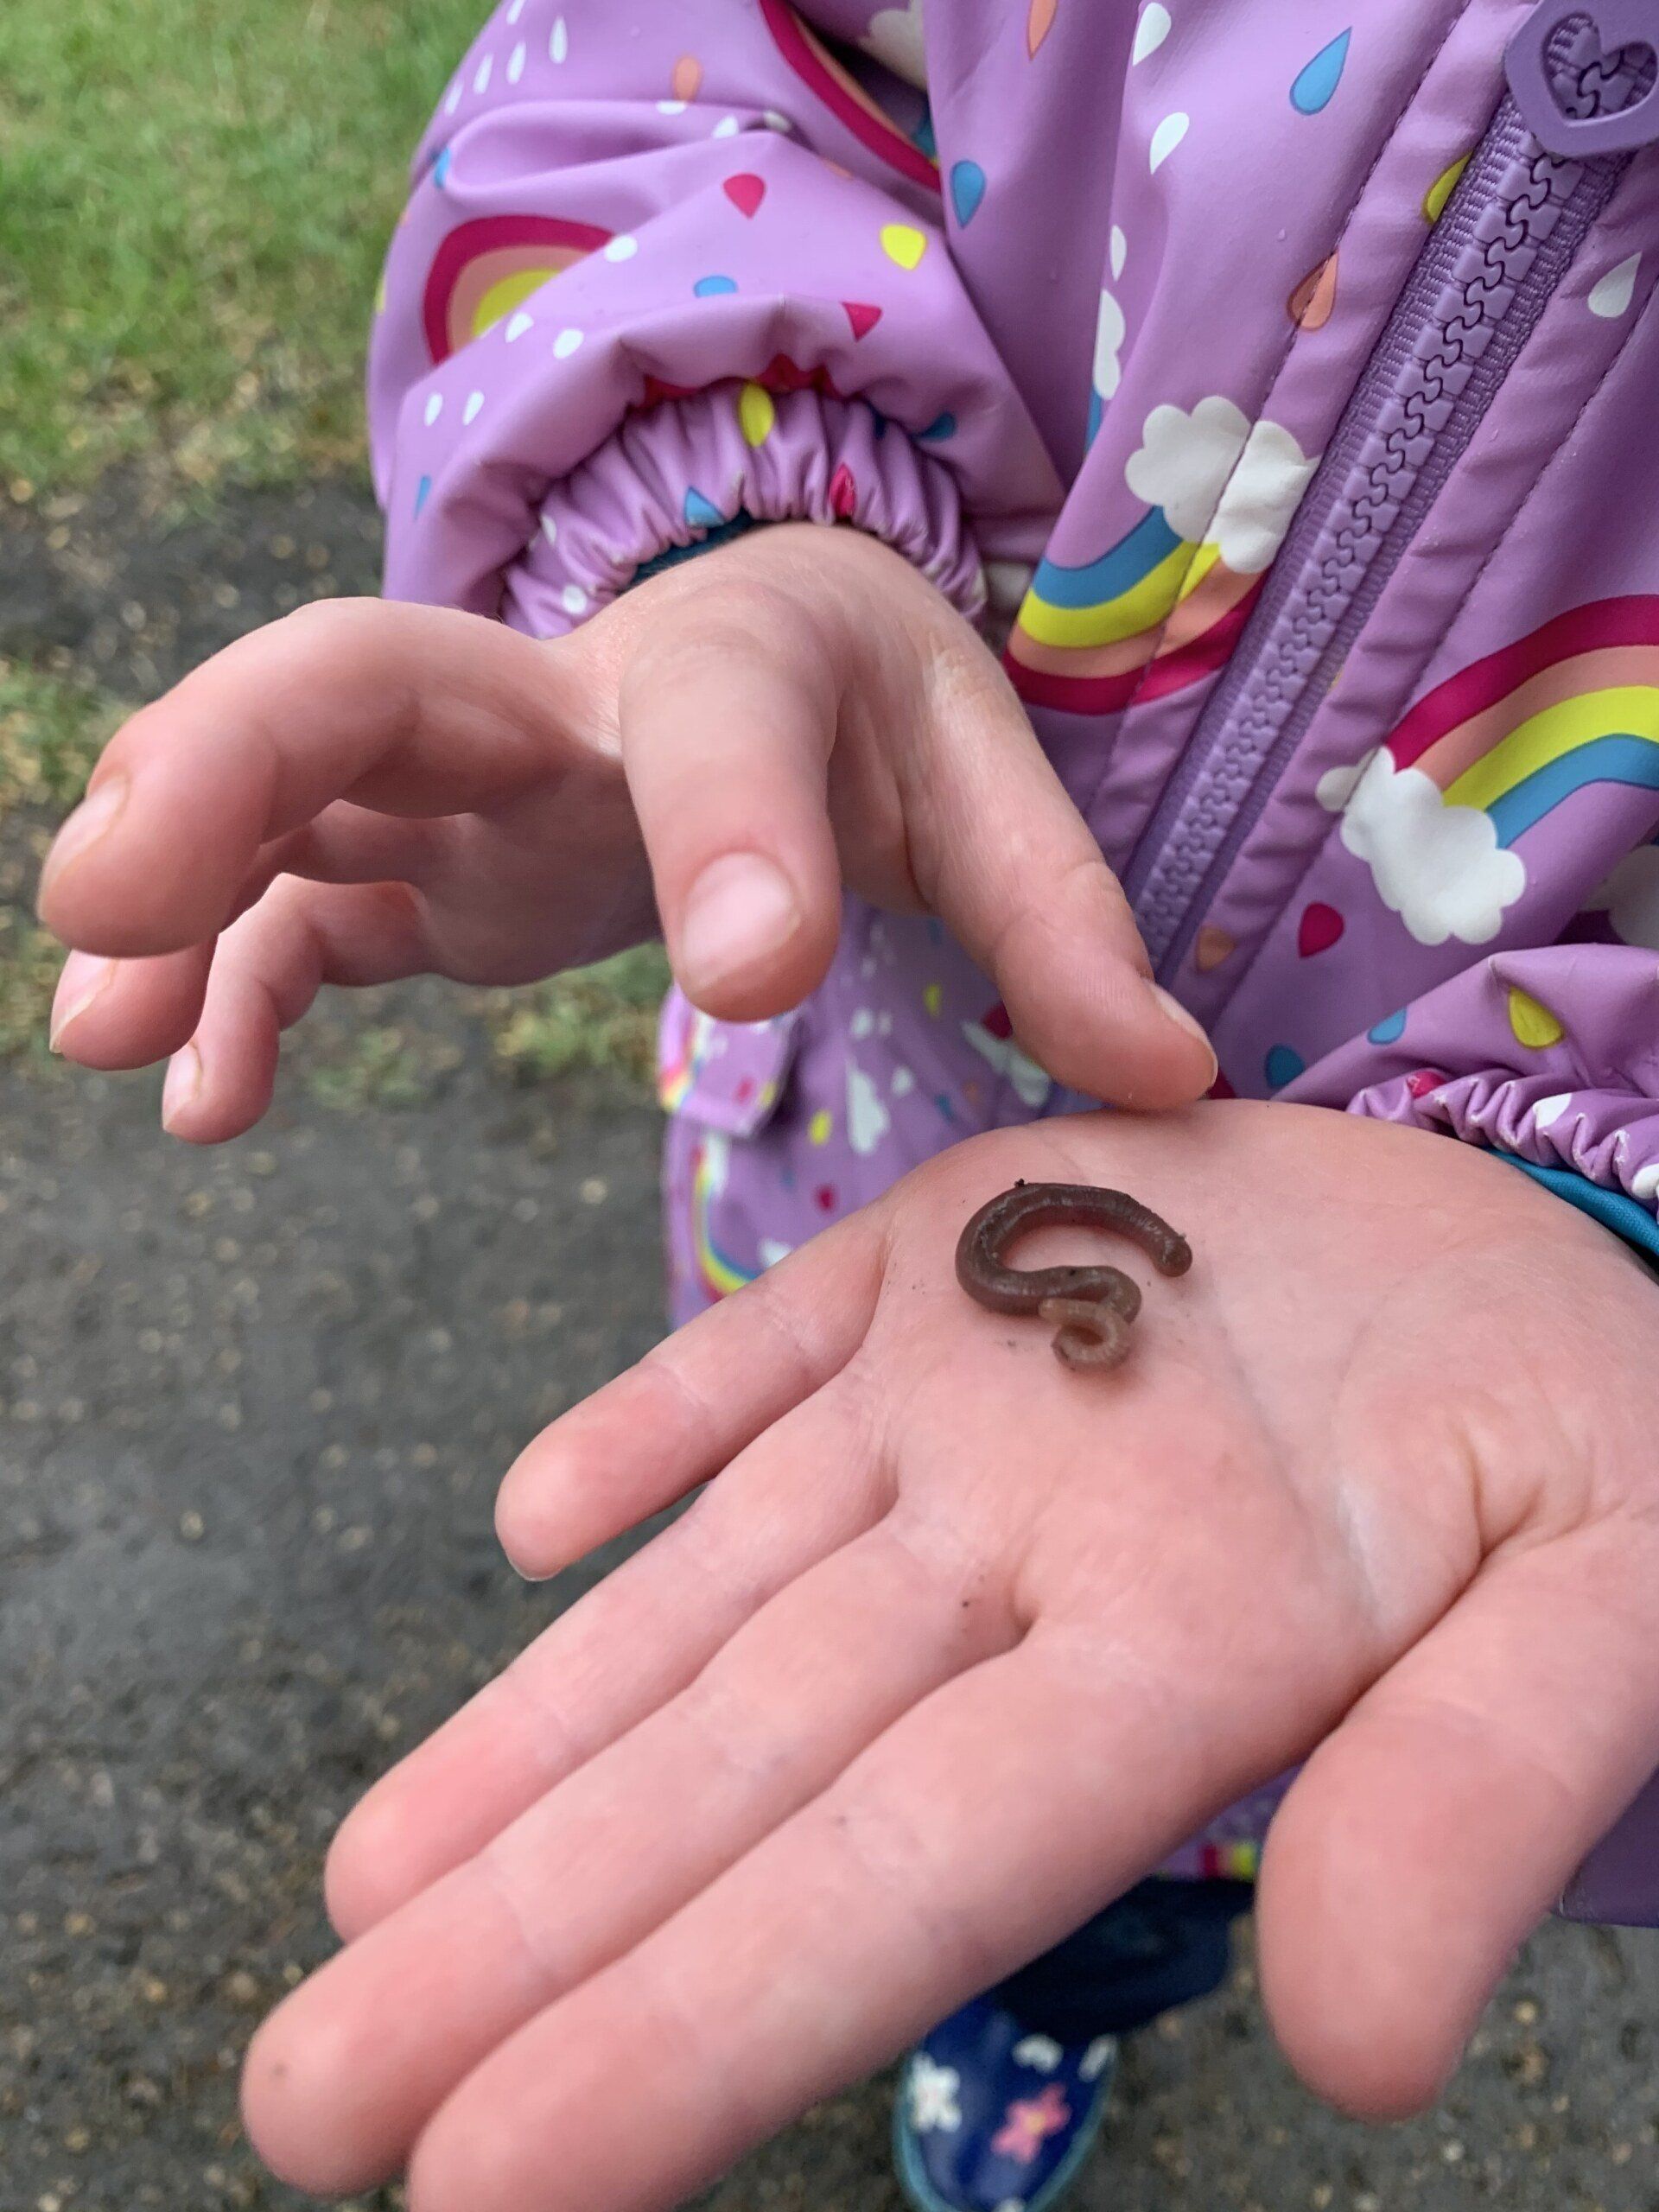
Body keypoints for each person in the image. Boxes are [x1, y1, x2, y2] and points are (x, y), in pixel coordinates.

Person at [38, 3, 1659, 2209]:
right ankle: (1000, 1992)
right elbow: (668, 64)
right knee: (904, 1703)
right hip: (860, 1136)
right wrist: (734, 518)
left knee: (1148, 1835)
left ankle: (1064, 1995)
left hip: (1489, 1400)